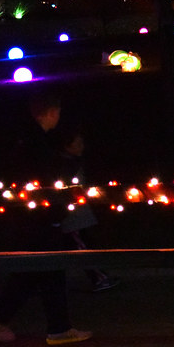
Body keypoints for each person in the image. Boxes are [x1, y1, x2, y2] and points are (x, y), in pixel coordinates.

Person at [0, 91, 93, 345]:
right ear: (52, 112)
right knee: (37, 270)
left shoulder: (31, 139)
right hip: (36, 217)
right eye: (58, 113)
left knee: (47, 270)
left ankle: (58, 328)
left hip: (34, 216)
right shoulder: (36, 143)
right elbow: (44, 179)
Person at [56, 125, 119, 292]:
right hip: (72, 216)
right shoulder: (66, 166)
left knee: (84, 246)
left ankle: (100, 276)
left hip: (78, 214)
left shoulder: (74, 162)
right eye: (77, 144)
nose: (81, 147)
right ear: (67, 146)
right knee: (82, 249)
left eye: (81, 143)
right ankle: (99, 278)